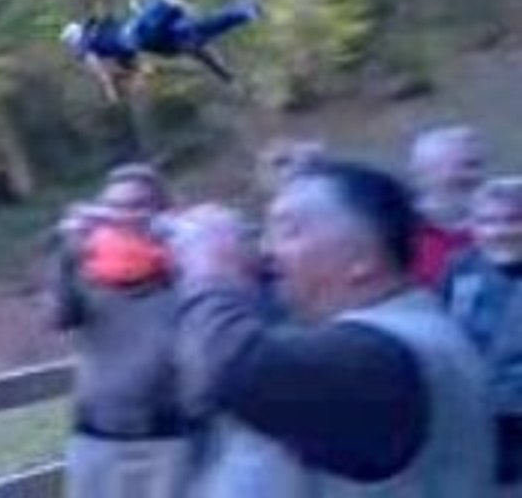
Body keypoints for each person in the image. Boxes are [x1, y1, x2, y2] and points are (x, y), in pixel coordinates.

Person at [170, 160, 493, 497]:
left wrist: (210, 268)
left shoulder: (383, 353)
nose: (266, 251)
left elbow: (225, 365)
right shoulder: (396, 331)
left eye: (290, 231)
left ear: (365, 258)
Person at [51, 164, 197, 498]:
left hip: (168, 437)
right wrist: (67, 254)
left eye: (137, 206)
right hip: (97, 435)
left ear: (161, 212)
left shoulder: (187, 269)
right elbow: (61, 318)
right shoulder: (84, 265)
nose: (124, 216)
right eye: (114, 206)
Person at [443, 177, 522, 493]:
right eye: (487, 221)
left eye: (514, 220)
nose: (499, 232)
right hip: (470, 418)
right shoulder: (462, 267)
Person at [60, 0, 261, 101]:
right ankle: (242, 11)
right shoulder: (106, 41)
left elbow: (97, 64)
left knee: (152, 28)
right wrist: (139, 72)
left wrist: (109, 87)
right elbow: (126, 60)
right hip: (154, 41)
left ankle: (165, 4)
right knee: (197, 34)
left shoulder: (87, 44)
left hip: (140, 34)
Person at [409, 126, 487, 287]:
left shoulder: (507, 226)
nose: (476, 176)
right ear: (424, 173)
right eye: (466, 166)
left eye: (478, 165)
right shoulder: (395, 231)